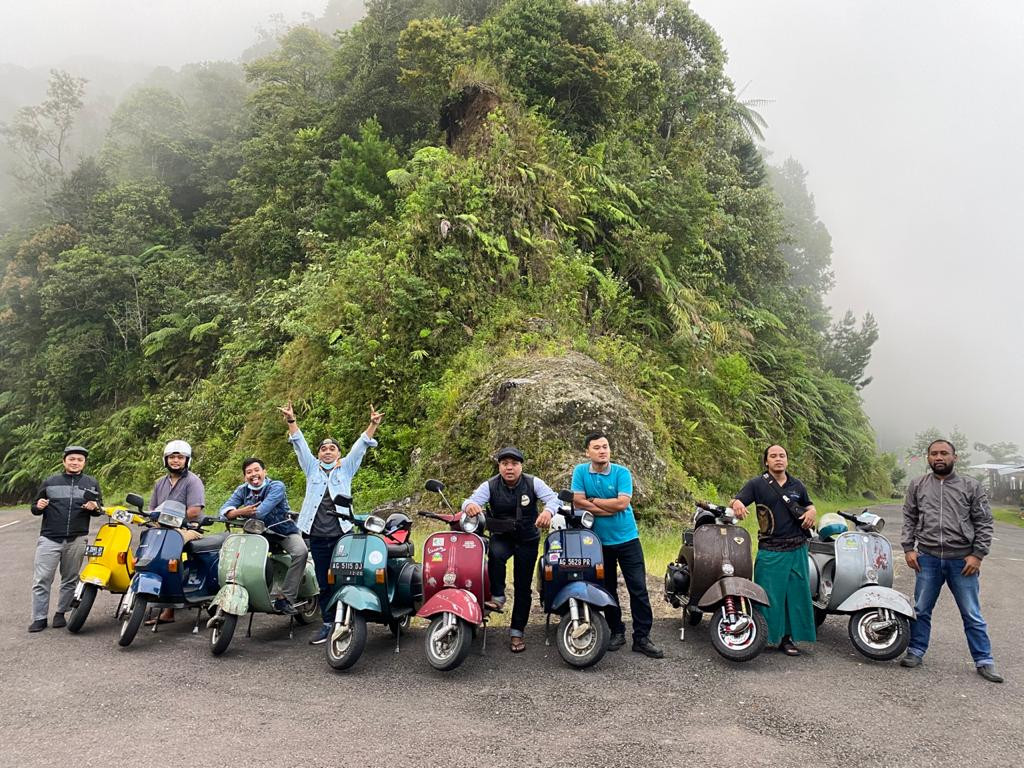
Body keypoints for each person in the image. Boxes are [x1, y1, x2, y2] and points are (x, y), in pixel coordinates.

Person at [899, 439, 1002, 682]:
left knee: (971, 612)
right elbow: (909, 517)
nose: (939, 457)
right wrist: (908, 548)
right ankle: (915, 651)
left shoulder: (971, 486)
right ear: (928, 458)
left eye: (944, 453)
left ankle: (984, 660)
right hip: (928, 559)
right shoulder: (918, 485)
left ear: (954, 457)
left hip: (962, 561)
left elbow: (984, 522)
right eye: (934, 453)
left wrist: (977, 554)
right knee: (921, 609)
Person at [280, 402, 382, 644]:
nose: (327, 451)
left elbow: (359, 448)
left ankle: (347, 619)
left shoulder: (345, 469)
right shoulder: (311, 469)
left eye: (332, 448)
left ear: (338, 453)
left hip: (342, 533)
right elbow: (300, 444)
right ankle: (328, 622)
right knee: (324, 581)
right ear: (318, 454)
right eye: (323, 448)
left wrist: (373, 425)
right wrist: (291, 421)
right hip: (316, 534)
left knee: (344, 577)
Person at [571, 432, 663, 658]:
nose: (602, 450)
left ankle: (642, 637)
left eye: (605, 446)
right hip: (598, 542)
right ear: (588, 452)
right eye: (597, 447)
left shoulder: (622, 472)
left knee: (638, 589)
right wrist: (605, 507)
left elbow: (622, 504)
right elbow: (576, 500)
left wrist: (593, 502)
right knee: (607, 589)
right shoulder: (580, 472)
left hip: (628, 538)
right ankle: (616, 631)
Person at [461, 446, 559, 653]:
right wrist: (469, 505)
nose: (509, 468)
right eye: (505, 464)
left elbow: (553, 498)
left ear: (521, 466)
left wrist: (548, 512)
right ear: (499, 466)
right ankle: (498, 595)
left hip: (527, 539)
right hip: (502, 537)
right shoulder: (490, 485)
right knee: (495, 555)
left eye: (514, 464)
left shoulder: (533, 482)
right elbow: (469, 501)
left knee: (523, 587)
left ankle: (517, 632)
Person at [730, 444, 816, 656]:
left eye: (782, 456)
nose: (779, 459)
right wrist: (737, 503)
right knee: (767, 594)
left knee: (795, 595)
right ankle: (764, 637)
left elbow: (809, 505)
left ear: (787, 460)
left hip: (797, 548)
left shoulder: (797, 485)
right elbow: (736, 499)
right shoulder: (757, 484)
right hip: (771, 549)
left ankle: (788, 640)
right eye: (773, 456)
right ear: (766, 461)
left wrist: (812, 512)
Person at [28, 445, 103, 632]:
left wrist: (94, 507)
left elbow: (99, 509)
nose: (75, 462)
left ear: (84, 463)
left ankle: (61, 613)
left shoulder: (91, 483)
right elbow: (34, 508)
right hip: (50, 538)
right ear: (64, 461)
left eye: (79, 460)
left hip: (76, 539)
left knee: (70, 579)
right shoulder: (50, 482)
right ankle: (39, 618)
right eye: (71, 459)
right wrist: (38, 505)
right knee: (42, 579)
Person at [220, 458, 308, 615]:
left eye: (256, 470)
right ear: (244, 476)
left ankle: (286, 598)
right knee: (240, 558)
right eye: (249, 472)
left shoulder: (276, 486)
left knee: (301, 552)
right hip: (256, 534)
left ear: (264, 472)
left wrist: (236, 513)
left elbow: (260, 511)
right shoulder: (242, 490)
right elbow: (223, 512)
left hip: (283, 532)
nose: (253, 475)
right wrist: (240, 512)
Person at [145, 439, 210, 625]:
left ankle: (169, 608)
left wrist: (170, 520)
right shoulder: (160, 483)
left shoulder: (193, 481)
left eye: (180, 457)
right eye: (172, 457)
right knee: (146, 550)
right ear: (165, 460)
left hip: (188, 529)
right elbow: (153, 508)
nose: (175, 461)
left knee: (169, 555)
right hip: (163, 528)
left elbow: (194, 511)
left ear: (187, 460)